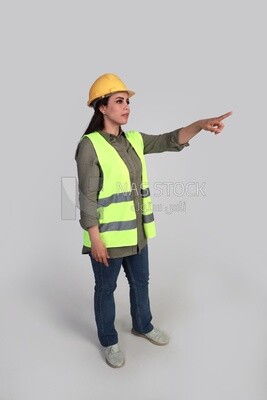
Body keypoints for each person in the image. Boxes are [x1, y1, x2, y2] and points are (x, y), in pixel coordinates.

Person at [75, 73, 232, 368]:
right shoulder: (90, 145)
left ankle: (142, 325)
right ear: (102, 108)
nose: (126, 107)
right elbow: (87, 196)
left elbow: (169, 140)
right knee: (106, 290)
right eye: (119, 101)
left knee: (141, 282)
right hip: (107, 239)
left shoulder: (133, 140)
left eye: (128, 102)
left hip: (137, 234)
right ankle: (109, 341)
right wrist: (95, 238)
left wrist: (199, 124)